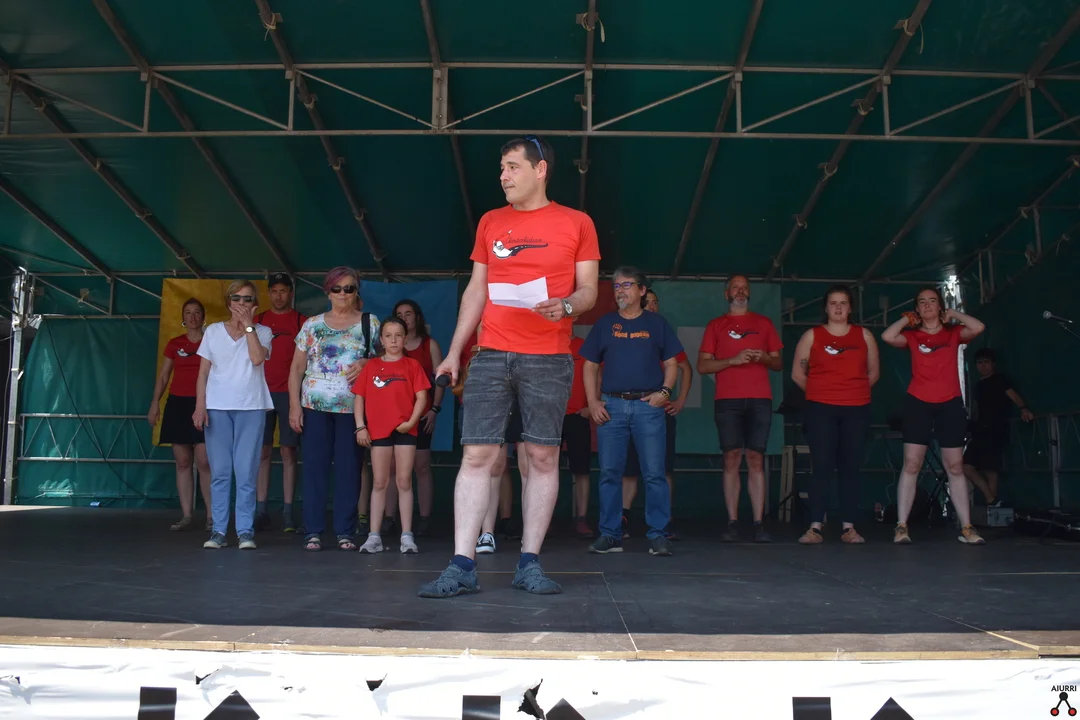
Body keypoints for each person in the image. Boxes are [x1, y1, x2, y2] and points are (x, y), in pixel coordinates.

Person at [419, 135, 600, 598]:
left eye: (513, 167)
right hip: (491, 353)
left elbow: (589, 290)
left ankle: (529, 563)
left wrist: (566, 305)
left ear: (540, 170)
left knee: (541, 457)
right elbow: (477, 290)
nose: (503, 176)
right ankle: (462, 564)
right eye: (501, 168)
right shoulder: (491, 221)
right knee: (477, 455)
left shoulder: (577, 222)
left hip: (549, 355)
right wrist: (455, 351)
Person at [582, 268, 682, 556]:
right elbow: (589, 365)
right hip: (611, 406)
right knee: (609, 473)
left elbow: (673, 364)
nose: (620, 290)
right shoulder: (605, 324)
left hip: (647, 406)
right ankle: (610, 535)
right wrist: (593, 402)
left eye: (627, 285)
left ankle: (658, 534)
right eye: (616, 286)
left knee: (654, 473)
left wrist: (664, 393)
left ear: (642, 290)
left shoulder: (657, 323)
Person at [881, 287, 987, 545]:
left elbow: (978, 327)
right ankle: (901, 526)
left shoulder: (954, 333)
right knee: (912, 464)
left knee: (955, 466)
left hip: (950, 404)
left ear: (940, 306)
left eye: (932, 301)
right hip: (918, 403)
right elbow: (887, 336)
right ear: (917, 308)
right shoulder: (912, 335)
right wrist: (907, 319)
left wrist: (953, 313)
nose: (927, 305)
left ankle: (967, 528)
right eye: (922, 302)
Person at [288, 267, 379, 552]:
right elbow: (296, 368)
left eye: (349, 288)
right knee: (314, 468)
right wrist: (294, 406)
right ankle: (312, 531)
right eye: (337, 288)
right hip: (313, 406)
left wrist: (367, 363)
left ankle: (345, 531)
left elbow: (387, 359)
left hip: (353, 408)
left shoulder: (369, 322)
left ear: (356, 291)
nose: (343, 293)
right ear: (327, 292)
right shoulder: (312, 325)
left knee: (350, 469)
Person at [791, 285, 880, 544]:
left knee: (850, 467)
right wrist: (821, 392)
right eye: (833, 303)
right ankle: (815, 526)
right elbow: (797, 374)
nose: (838, 307)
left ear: (850, 308)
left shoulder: (864, 335)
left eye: (843, 303)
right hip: (821, 409)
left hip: (856, 408)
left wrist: (852, 392)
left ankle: (848, 527)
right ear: (826, 308)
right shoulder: (812, 336)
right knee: (821, 466)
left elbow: (874, 372)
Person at [697, 274, 783, 543]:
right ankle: (732, 522)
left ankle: (758, 523)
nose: (740, 291)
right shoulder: (716, 325)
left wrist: (764, 357)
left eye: (745, 288)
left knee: (756, 458)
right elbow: (703, 366)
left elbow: (778, 363)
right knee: (732, 457)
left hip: (760, 398)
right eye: (735, 288)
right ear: (727, 294)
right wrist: (732, 360)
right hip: (728, 400)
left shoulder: (764, 323)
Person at [193, 282, 274, 550]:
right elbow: (203, 372)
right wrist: (200, 406)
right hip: (217, 407)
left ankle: (245, 531)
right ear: (229, 302)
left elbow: (257, 358)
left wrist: (248, 326)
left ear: (255, 304)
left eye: (247, 299)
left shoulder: (264, 331)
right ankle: (218, 530)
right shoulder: (213, 331)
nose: (241, 303)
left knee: (246, 471)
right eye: (236, 298)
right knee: (221, 472)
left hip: (252, 407)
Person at [353, 317, 431, 554]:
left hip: (406, 429)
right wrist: (360, 426)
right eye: (388, 336)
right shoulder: (371, 366)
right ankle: (374, 536)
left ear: (405, 339)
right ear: (381, 340)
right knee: (379, 482)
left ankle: (407, 536)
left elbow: (422, 397)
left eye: (398, 335)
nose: (394, 340)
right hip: (378, 431)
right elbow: (359, 397)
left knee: (404, 481)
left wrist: (412, 422)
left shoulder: (412, 365)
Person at [621, 288, 692, 540]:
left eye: (655, 302)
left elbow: (685, 368)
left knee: (662, 468)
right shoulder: (626, 330)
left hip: (660, 410)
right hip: (630, 408)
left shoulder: (663, 333)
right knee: (629, 468)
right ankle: (623, 518)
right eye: (648, 302)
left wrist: (680, 400)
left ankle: (664, 520)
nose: (652, 306)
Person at [149, 298, 212, 531]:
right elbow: (164, 375)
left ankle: (212, 516)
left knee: (204, 461)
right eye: (188, 313)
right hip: (177, 404)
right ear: (183, 318)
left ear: (203, 317)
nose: (193, 317)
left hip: (204, 404)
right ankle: (186, 515)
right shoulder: (175, 344)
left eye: (196, 312)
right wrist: (155, 403)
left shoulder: (211, 342)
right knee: (183, 461)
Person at [254, 272, 307, 533]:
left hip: (289, 394)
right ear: (268, 293)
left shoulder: (301, 321)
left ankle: (288, 511)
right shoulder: (258, 321)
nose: (278, 296)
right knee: (262, 452)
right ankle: (260, 510)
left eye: (283, 291)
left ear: (291, 293)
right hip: (260, 393)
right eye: (274, 291)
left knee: (288, 452)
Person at [394, 299, 444, 537]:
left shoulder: (429, 344)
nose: (404, 318)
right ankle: (389, 517)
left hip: (423, 414)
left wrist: (434, 409)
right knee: (393, 467)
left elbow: (441, 379)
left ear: (417, 317)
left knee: (421, 466)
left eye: (408, 314)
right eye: (399, 314)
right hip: (395, 415)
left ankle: (424, 517)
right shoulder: (391, 345)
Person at [963, 348, 1034, 506]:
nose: (983, 365)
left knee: (990, 468)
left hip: (995, 429)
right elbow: (976, 408)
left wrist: (1024, 408)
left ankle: (992, 506)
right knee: (966, 467)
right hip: (979, 430)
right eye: (979, 362)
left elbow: (1013, 395)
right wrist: (970, 424)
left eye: (986, 362)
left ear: (993, 364)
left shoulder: (1000, 380)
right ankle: (991, 499)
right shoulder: (978, 385)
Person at [564, 329, 595, 540]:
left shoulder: (584, 345)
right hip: (551, 415)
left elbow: (597, 375)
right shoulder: (546, 343)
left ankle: (582, 518)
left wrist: (591, 406)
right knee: (544, 468)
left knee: (582, 469)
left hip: (578, 415)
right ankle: (543, 519)